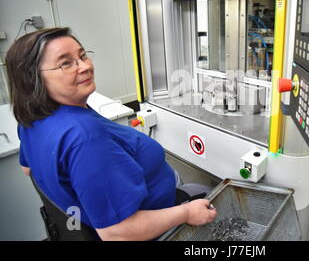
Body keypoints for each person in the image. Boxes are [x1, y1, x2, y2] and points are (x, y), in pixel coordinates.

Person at [5, 28, 217, 240]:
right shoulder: (85, 138)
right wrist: (187, 213)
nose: (85, 66)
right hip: (157, 220)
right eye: (66, 63)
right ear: (32, 78)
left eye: (82, 55)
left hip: (95, 215)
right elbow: (117, 233)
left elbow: (27, 168)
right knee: (209, 193)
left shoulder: (30, 119)